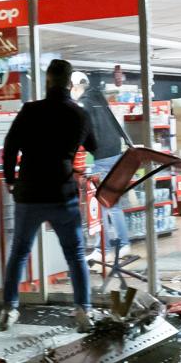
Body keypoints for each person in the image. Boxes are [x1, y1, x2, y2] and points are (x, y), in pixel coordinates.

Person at [0, 59, 99, 333]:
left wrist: (11, 179)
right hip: (62, 194)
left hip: (29, 193)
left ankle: (9, 309)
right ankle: (83, 311)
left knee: (19, 253)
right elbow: (94, 145)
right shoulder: (79, 114)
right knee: (76, 255)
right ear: (70, 84)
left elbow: (10, 147)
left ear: (47, 81)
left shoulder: (30, 111)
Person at [71, 70, 132, 262]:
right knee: (111, 204)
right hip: (116, 154)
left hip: (102, 158)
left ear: (75, 86)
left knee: (100, 205)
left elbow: (84, 132)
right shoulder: (99, 98)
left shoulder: (85, 104)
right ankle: (118, 245)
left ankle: (106, 248)